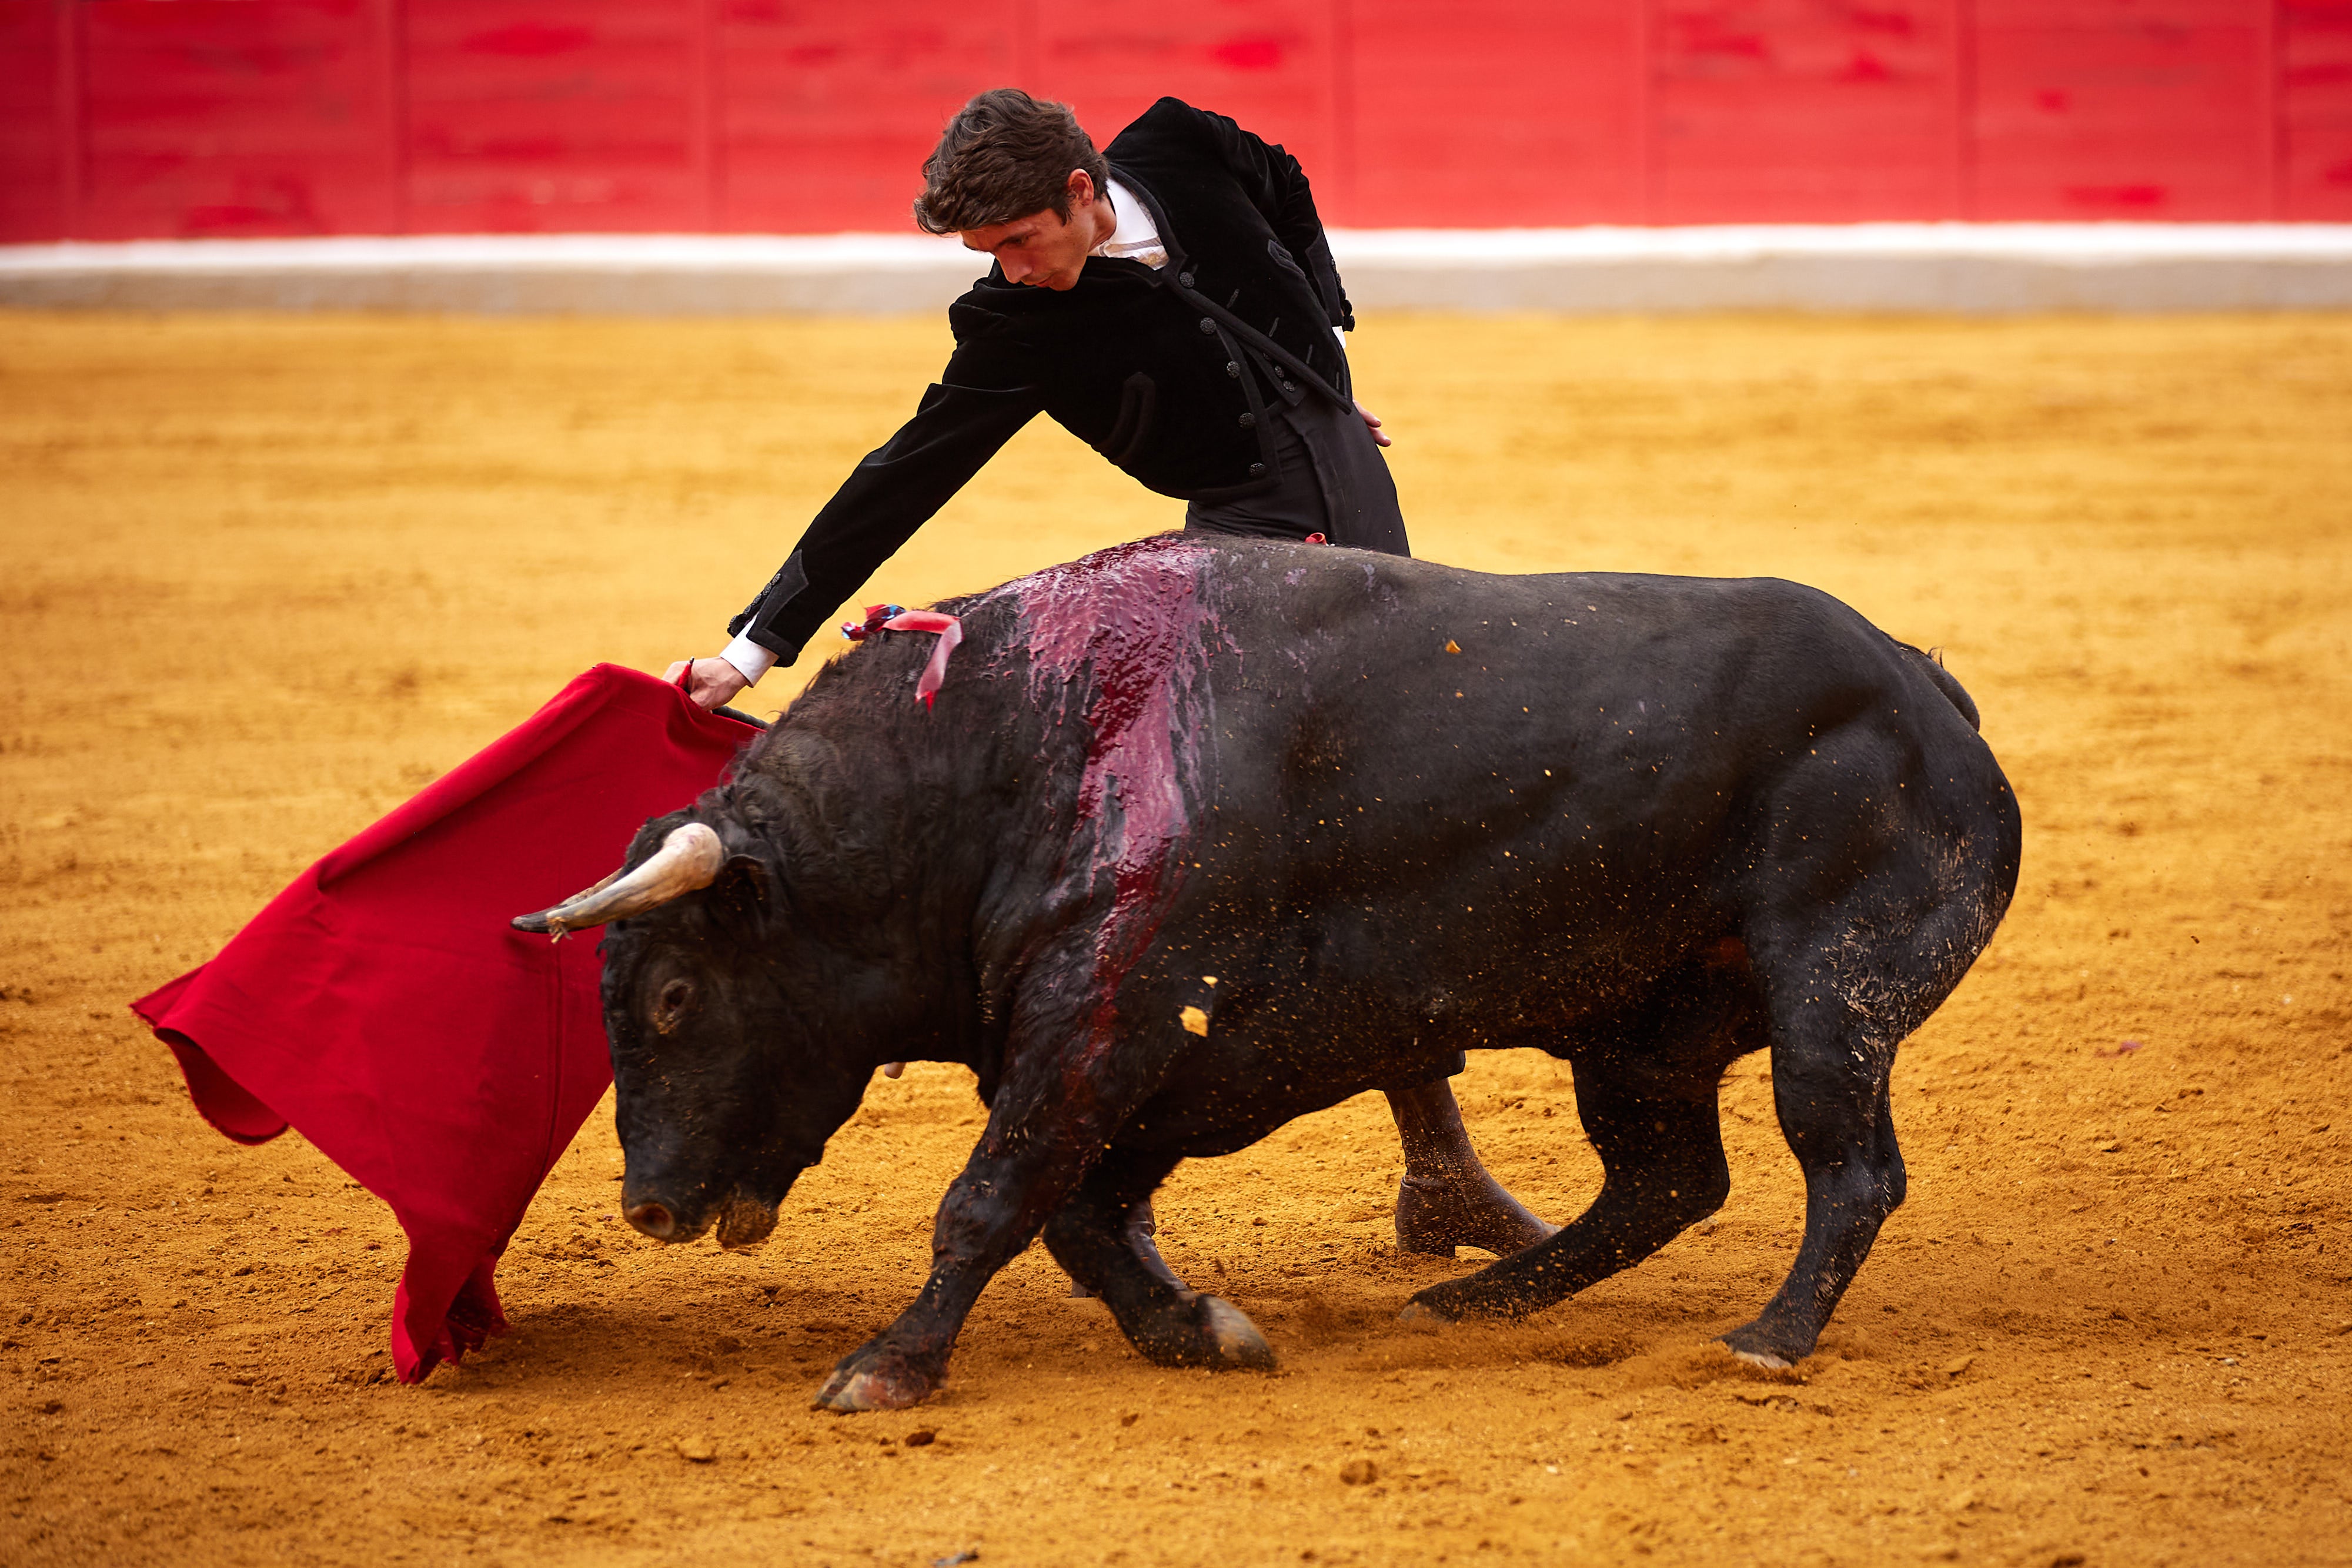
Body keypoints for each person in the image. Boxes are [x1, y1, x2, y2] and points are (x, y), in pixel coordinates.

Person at [665, 88, 1550, 1261]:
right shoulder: (1013, 328)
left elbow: (1278, 176)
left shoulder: (1180, 144)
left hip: (1346, 479)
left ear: (1083, 193)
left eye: (1020, 243)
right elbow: (899, 477)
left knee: (1376, 815)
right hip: (1244, 550)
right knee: (1306, 833)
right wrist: (751, 644)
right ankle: (1268, 1173)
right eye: (987, 256)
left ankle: (1437, 1166)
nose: (1009, 273)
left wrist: (1321, 346)